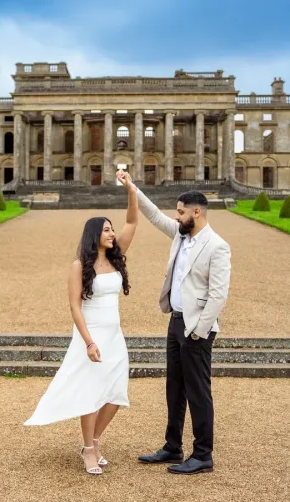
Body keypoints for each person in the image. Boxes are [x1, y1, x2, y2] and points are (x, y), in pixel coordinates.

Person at [24, 170, 139, 476]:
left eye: (111, 230)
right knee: (90, 392)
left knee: (116, 394)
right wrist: (88, 341)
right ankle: (89, 448)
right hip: (91, 335)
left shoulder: (116, 258)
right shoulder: (79, 266)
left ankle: (96, 440)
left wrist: (130, 189)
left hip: (115, 335)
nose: (112, 234)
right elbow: (74, 306)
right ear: (93, 235)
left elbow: (132, 222)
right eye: (106, 230)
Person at [117, 171, 231, 476]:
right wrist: (131, 187)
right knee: (175, 388)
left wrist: (199, 330)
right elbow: (153, 215)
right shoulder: (182, 234)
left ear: (196, 212)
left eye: (180, 212)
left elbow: (219, 295)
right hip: (176, 321)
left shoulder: (217, 246)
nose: (175, 216)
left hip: (196, 329)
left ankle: (203, 454)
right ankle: (172, 446)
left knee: (198, 391)